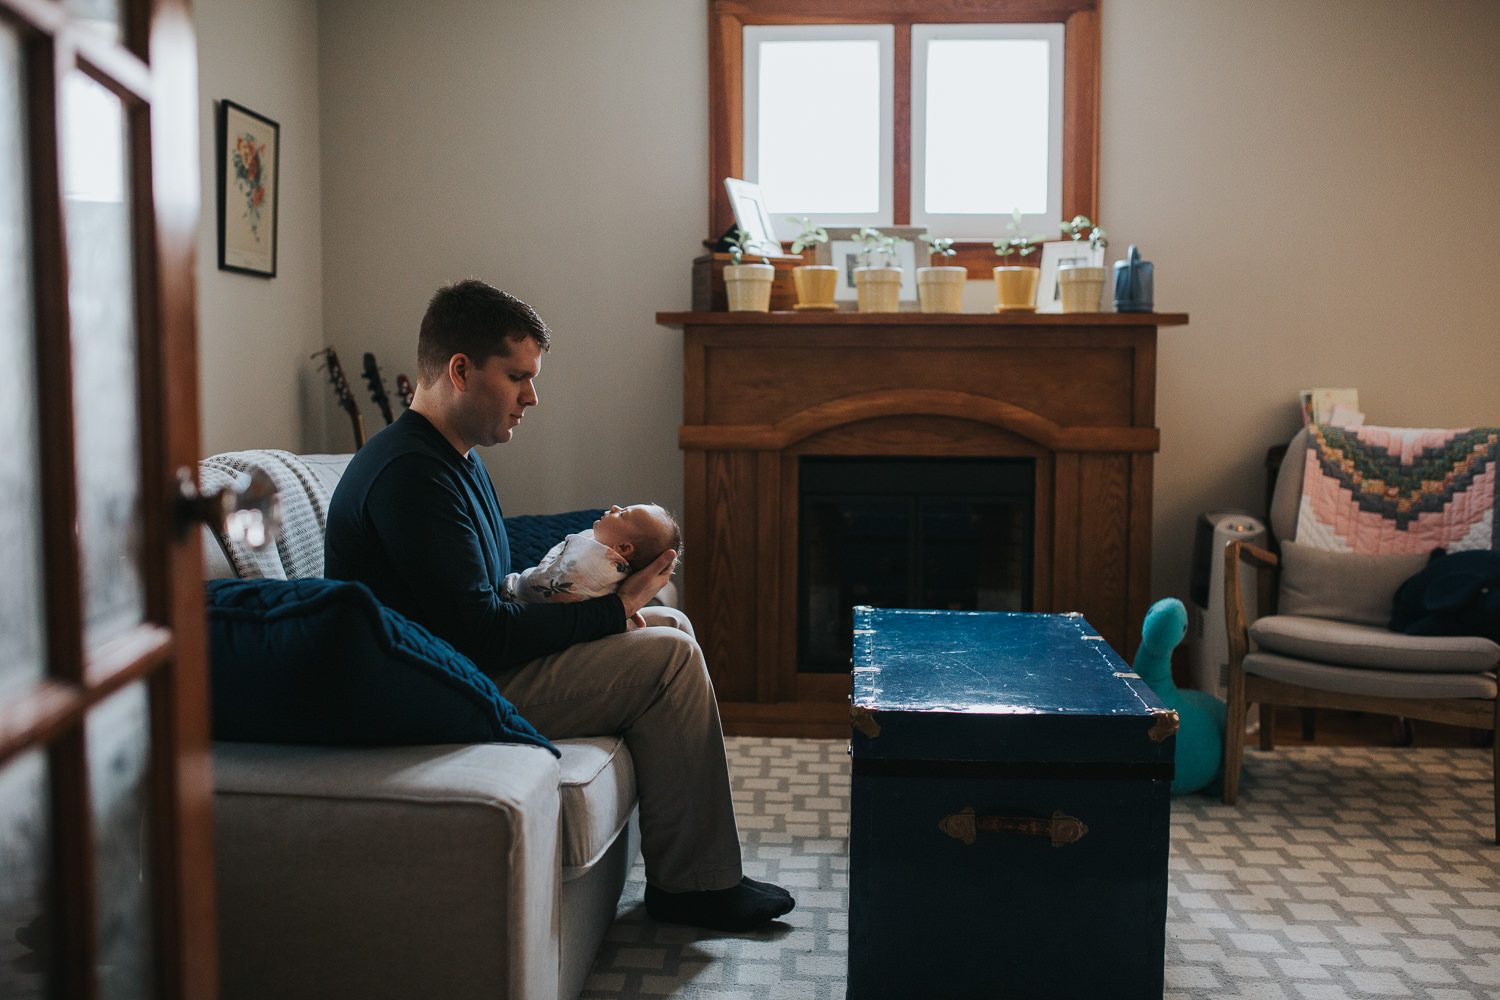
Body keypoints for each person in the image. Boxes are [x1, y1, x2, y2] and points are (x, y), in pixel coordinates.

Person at [324, 279, 793, 931]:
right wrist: (609, 610)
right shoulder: (409, 476)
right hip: (436, 692)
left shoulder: (450, 458)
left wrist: (612, 593)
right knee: (668, 659)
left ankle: (694, 871)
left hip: (460, 665)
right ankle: (695, 886)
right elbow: (482, 635)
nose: (531, 397)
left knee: (670, 623)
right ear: (461, 370)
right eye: (518, 377)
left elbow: (492, 591)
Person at [503, 504, 681, 604]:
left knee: (676, 625)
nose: (614, 508)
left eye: (623, 514)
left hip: (516, 599)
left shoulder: (594, 568)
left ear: (623, 548)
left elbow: (551, 584)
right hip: (520, 614)